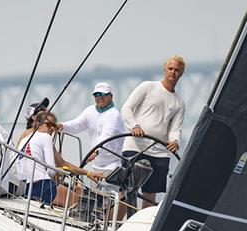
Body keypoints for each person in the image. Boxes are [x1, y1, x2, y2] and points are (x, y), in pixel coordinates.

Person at [120, 55, 187, 208]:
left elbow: (175, 128)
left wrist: (175, 141)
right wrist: (134, 126)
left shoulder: (179, 102)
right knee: (126, 190)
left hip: (159, 152)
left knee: (150, 195)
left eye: (177, 70)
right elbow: (126, 108)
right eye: (170, 69)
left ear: (181, 73)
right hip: (135, 146)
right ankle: (117, 225)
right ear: (165, 69)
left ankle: (142, 229)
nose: (173, 72)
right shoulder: (148, 87)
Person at [16, 111, 100, 207]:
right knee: (85, 205)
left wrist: (88, 173)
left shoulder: (24, 139)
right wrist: (56, 179)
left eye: (54, 126)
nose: (52, 128)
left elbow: (61, 163)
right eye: (49, 124)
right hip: (42, 185)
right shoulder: (45, 137)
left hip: (24, 187)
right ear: (38, 124)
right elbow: (52, 169)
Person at [57, 82, 126, 176]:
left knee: (109, 190)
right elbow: (76, 124)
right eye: (96, 95)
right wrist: (62, 126)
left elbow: (106, 135)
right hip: (96, 165)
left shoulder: (114, 115)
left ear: (111, 96)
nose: (99, 98)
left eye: (103, 95)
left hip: (114, 166)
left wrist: (95, 151)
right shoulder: (90, 110)